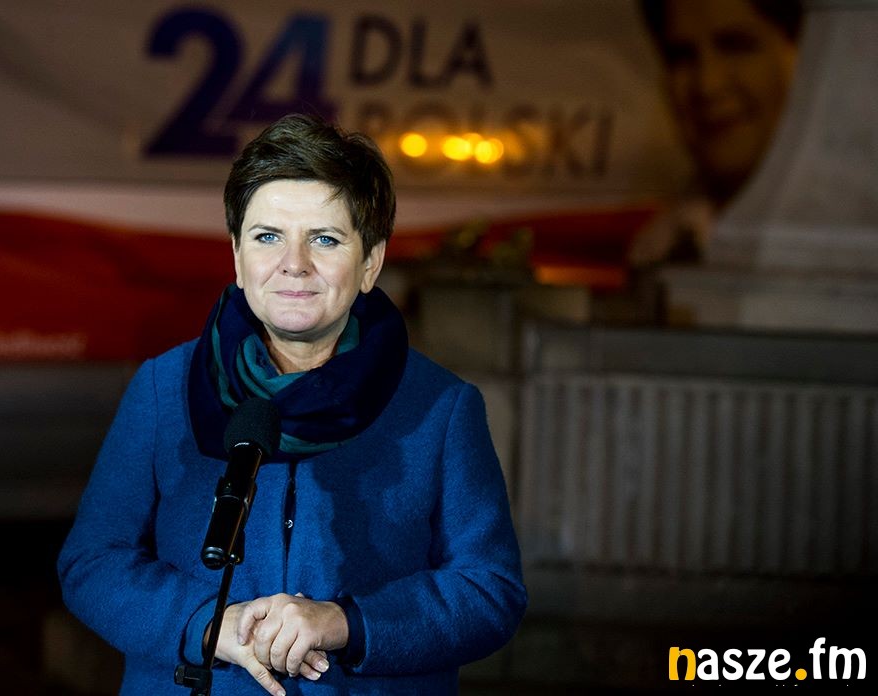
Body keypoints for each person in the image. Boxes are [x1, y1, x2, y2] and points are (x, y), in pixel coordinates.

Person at [58, 113, 527, 695]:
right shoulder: (165, 389)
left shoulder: (441, 407)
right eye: (267, 237)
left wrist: (347, 623)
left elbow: (489, 589)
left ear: (370, 263)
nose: (294, 263)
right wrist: (209, 624)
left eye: (324, 239)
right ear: (237, 256)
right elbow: (92, 562)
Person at [629, 0, 803, 265]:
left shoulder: (850, 235)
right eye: (681, 56)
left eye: (737, 46)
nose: (707, 84)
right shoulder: (661, 249)